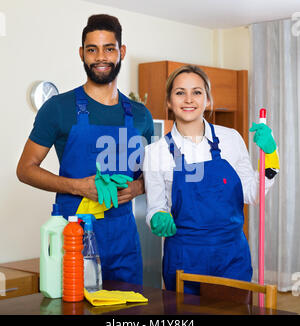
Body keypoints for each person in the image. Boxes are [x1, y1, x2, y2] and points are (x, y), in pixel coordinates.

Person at [17, 14, 154, 285]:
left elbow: (154, 174)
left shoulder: (141, 116)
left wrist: (138, 188)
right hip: (75, 238)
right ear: (82, 53)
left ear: (121, 52)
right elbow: (25, 169)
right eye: (92, 49)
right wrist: (79, 187)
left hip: (124, 240)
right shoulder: (57, 108)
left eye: (109, 48)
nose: (100, 57)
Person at [142, 65, 279, 294]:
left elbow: (253, 193)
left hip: (231, 257)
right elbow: (155, 208)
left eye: (196, 92)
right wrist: (156, 218)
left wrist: (271, 158)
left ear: (207, 99)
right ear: (169, 101)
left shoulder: (231, 139)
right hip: (184, 260)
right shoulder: (155, 152)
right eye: (179, 92)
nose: (188, 99)